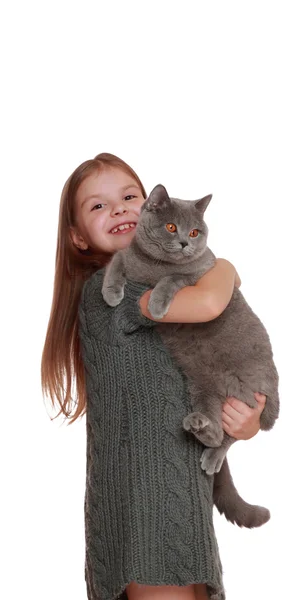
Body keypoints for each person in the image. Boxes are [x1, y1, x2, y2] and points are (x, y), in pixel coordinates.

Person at [41, 153, 266, 600]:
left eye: (129, 197)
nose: (119, 208)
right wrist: (225, 269)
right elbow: (209, 304)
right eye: (98, 206)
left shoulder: (163, 290)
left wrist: (244, 425)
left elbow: (185, 390)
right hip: (146, 506)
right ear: (77, 238)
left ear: (151, 211)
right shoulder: (108, 294)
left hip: (179, 495)